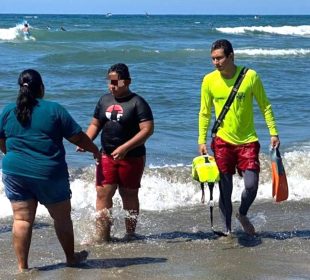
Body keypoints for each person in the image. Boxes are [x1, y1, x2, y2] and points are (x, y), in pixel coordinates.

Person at [0, 69, 101, 272]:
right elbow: (77, 137)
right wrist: (95, 150)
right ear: (41, 88)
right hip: (48, 172)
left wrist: (9, 154)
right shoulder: (54, 109)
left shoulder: (9, 111)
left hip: (14, 171)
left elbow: (1, 141)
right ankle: (71, 259)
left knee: (21, 219)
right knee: (62, 217)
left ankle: (23, 267)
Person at [198, 39, 280, 236]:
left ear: (231, 56)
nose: (216, 62)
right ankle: (227, 231)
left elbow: (265, 105)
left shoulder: (250, 76)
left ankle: (242, 214)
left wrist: (273, 132)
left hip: (248, 141)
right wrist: (201, 139)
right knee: (225, 189)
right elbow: (204, 113)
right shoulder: (209, 80)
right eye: (213, 59)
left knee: (251, 186)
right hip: (222, 142)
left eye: (219, 58)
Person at [78, 63, 154, 243]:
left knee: (129, 194)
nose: (111, 86)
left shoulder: (137, 102)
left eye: (115, 82)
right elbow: (95, 124)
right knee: (103, 193)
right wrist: (86, 142)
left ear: (127, 81)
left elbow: (147, 129)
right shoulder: (104, 100)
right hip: (107, 156)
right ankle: (103, 235)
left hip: (132, 157)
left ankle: (130, 233)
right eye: (109, 82)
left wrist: (125, 147)